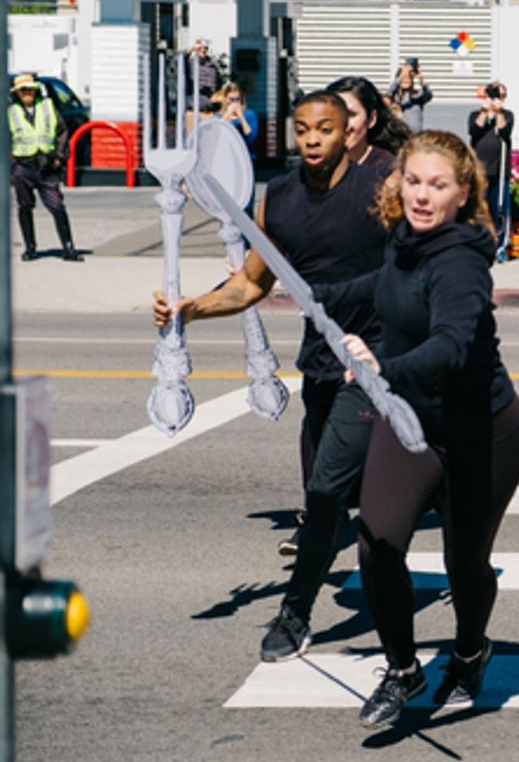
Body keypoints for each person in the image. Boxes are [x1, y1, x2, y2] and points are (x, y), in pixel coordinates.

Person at [151, 92, 389, 661]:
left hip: (379, 362)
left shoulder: (380, 192)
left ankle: (294, 615)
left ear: (346, 134)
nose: (312, 139)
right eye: (302, 129)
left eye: (325, 129)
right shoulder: (278, 202)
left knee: (329, 491)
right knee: (325, 498)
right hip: (324, 370)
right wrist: (190, 308)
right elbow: (252, 285)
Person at [323, 131, 519, 729]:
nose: (421, 194)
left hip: (478, 432)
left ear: (464, 194)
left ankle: (469, 650)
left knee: (466, 564)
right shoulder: (404, 242)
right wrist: (316, 296)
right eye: (413, 180)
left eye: (438, 185)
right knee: (378, 542)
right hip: (409, 420)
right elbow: (381, 288)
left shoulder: (461, 263)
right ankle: (404, 669)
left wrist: (382, 368)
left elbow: (452, 345)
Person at [8, 74, 80, 262]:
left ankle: (68, 247)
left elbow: (62, 131)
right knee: (24, 206)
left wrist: (59, 157)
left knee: (57, 205)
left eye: (30, 89)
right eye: (23, 90)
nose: (27, 93)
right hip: (23, 166)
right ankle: (30, 248)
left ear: (36, 90)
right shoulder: (10, 112)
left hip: (47, 165)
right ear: (17, 93)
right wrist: (11, 164)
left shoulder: (48, 107)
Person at [469, 80, 515, 256]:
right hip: (480, 171)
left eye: (501, 95)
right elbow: (474, 130)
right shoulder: (475, 114)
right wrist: (485, 110)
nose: (497, 98)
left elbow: (504, 131)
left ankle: (500, 246)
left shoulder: (507, 115)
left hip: (499, 170)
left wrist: (499, 111)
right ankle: (479, 244)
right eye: (494, 94)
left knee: (499, 209)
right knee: (479, 209)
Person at [327, 76, 399, 173]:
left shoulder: (387, 169)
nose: (342, 123)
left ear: (371, 119)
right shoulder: (315, 166)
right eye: (334, 114)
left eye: (350, 115)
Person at [389, 62, 433, 135]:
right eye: (404, 77)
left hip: (416, 138)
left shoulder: (417, 96)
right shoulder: (394, 97)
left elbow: (429, 94)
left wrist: (421, 78)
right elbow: (388, 94)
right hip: (399, 137)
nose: (407, 80)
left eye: (409, 78)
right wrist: (400, 75)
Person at [219, 81, 260, 158]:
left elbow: (251, 138)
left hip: (245, 157)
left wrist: (241, 117)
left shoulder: (249, 115)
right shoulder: (219, 116)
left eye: (237, 99)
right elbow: (217, 134)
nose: (234, 102)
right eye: (231, 99)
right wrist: (227, 115)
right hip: (226, 156)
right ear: (225, 99)